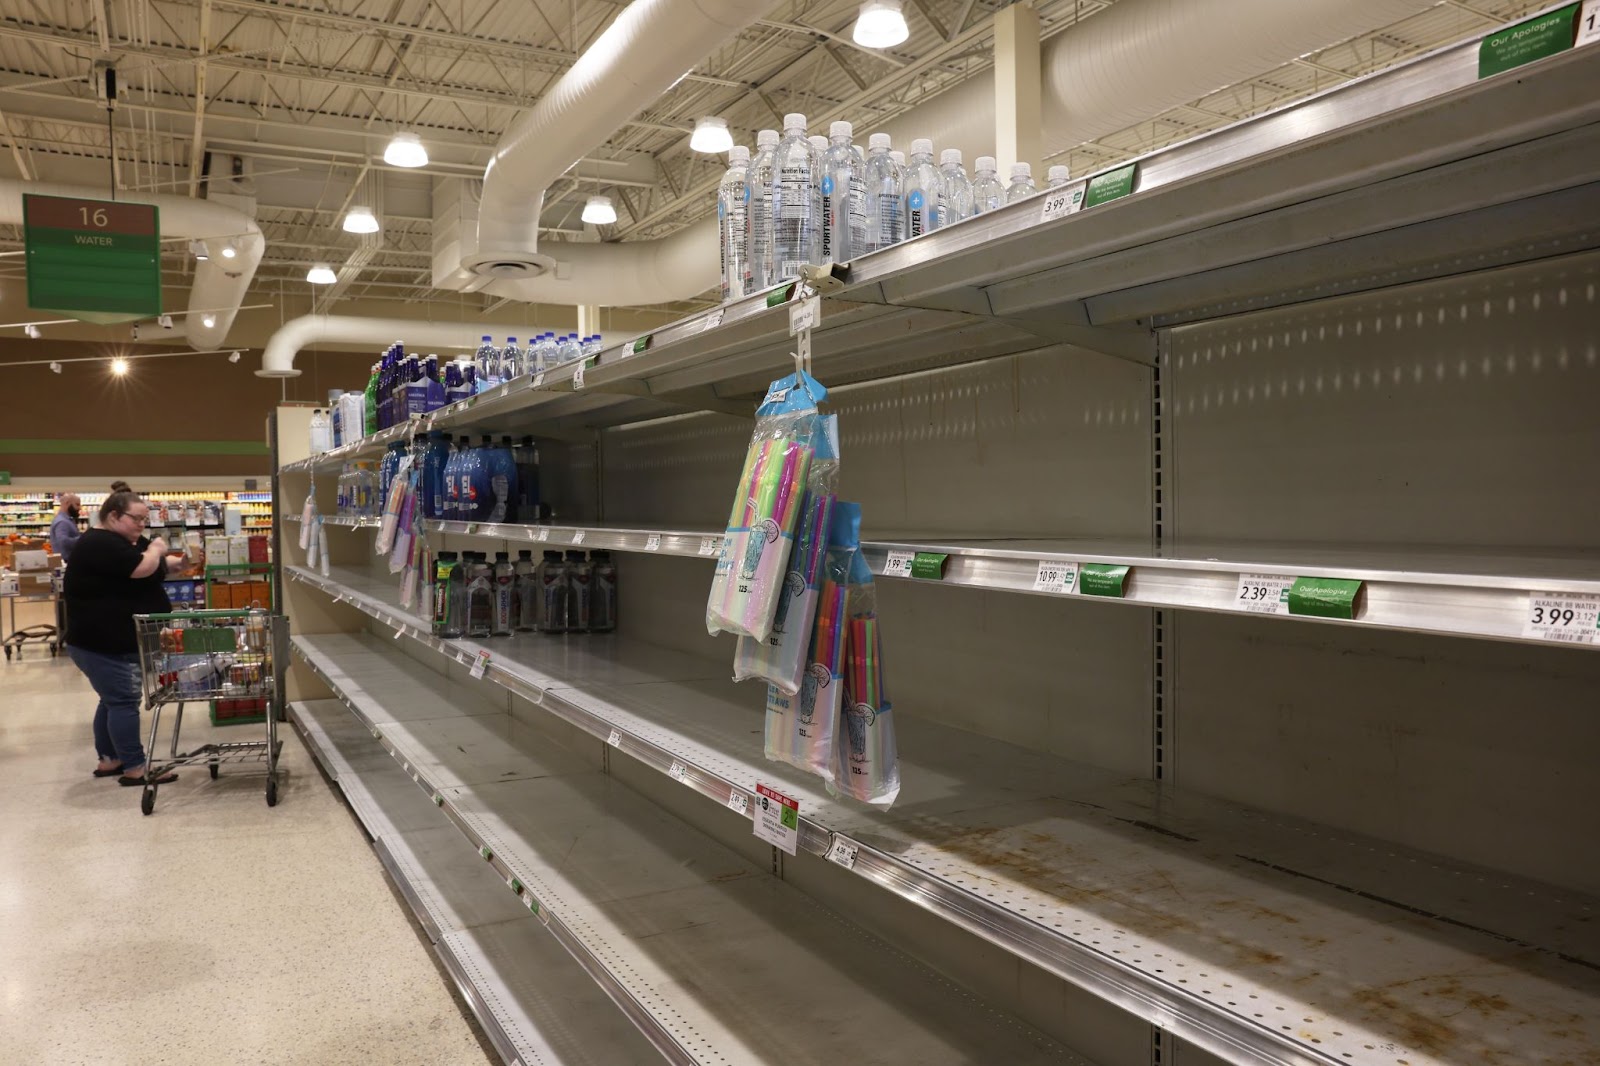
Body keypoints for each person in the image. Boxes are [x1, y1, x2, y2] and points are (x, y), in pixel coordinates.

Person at [63, 489, 185, 786]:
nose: (142, 524)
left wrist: (176, 563)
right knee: (123, 702)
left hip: (107, 641)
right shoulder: (99, 542)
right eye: (137, 519)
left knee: (111, 700)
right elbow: (142, 566)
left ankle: (110, 759)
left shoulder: (120, 541)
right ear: (114, 516)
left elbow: (150, 566)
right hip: (102, 643)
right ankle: (134, 767)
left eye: (146, 518)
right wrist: (156, 550)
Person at [49, 493, 82, 560]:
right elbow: (64, 542)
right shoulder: (62, 522)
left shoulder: (67, 520)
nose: (80, 508)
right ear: (67, 503)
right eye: (77, 504)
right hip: (66, 563)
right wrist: (83, 539)